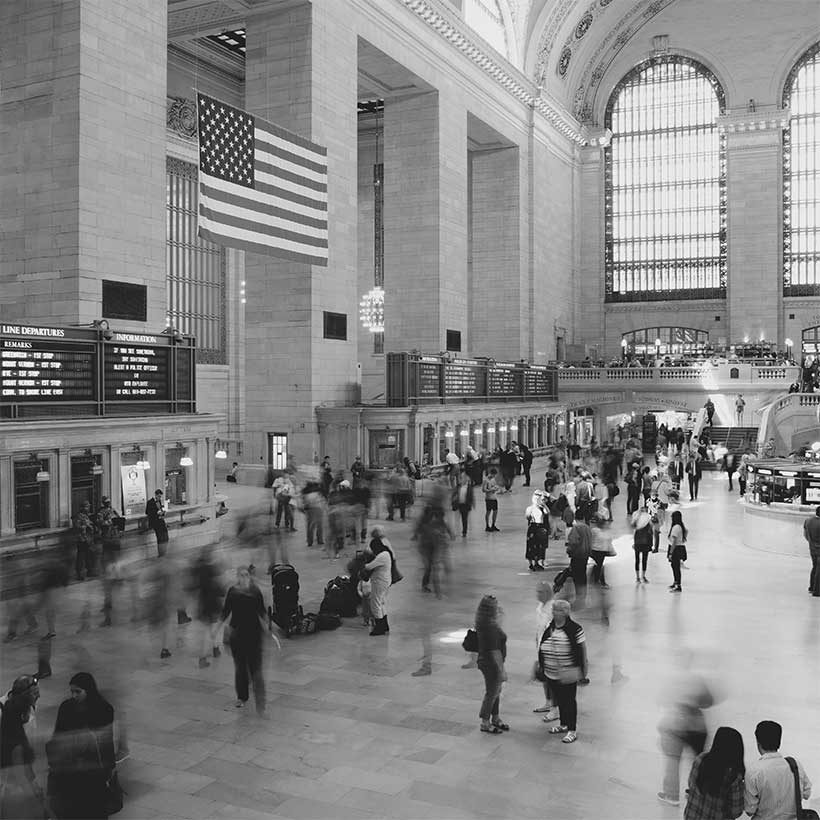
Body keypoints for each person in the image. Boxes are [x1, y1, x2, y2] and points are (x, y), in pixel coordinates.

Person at [47, 672, 116, 819]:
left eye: (77, 692)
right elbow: (57, 736)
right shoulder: (66, 707)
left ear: (88, 690)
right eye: (72, 692)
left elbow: (106, 742)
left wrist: (109, 768)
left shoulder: (103, 709)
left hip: (92, 775)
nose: (74, 696)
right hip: (70, 774)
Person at [216, 566, 275, 713]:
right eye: (241, 575)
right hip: (238, 636)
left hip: (254, 635)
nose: (243, 578)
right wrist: (216, 629)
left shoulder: (255, 591)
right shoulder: (233, 592)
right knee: (241, 668)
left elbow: (261, 611)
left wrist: (268, 628)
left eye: (246, 575)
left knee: (256, 669)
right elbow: (226, 612)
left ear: (249, 576)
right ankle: (242, 696)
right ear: (237, 577)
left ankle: (260, 701)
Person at [537, 599, 587, 744]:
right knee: (559, 699)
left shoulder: (575, 629)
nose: (553, 612)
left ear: (565, 612)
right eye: (553, 609)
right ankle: (563, 724)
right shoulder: (550, 627)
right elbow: (543, 644)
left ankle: (572, 729)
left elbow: (582, 650)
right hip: (551, 672)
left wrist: (583, 669)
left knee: (569, 701)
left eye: (557, 610)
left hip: (568, 672)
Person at [744, 720, 812, 819]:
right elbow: (807, 793)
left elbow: (750, 810)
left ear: (758, 743)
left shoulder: (754, 771)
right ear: (779, 742)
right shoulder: (795, 765)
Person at [0, 674, 46, 819]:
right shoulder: (5, 711)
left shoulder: (27, 705)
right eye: (35, 694)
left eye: (38, 693)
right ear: (23, 696)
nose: (38, 697)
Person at [683, 726, 745, 820]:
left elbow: (691, 784)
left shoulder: (700, 759)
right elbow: (736, 812)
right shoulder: (733, 776)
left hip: (692, 816)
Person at [474, 594, 508, 735]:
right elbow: (495, 652)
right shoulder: (491, 628)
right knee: (492, 692)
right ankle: (485, 721)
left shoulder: (483, 622)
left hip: (485, 661)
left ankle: (495, 717)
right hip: (491, 664)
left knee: (496, 691)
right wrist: (501, 670)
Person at [532, 581, 558, 721]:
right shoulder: (540, 607)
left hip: (551, 649)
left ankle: (555, 709)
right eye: (537, 592)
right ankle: (548, 702)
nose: (538, 595)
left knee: (552, 679)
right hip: (541, 647)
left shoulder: (553, 608)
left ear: (548, 593)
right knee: (544, 677)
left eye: (540, 592)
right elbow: (539, 628)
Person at [97, 496, 123, 627]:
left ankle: (116, 577)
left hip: (113, 539)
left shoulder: (113, 510)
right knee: (109, 562)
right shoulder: (102, 513)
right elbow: (101, 523)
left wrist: (115, 523)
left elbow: (119, 521)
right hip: (108, 540)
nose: (108, 504)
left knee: (114, 561)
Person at [364, 527, 394, 636]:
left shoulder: (382, 556)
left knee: (375, 603)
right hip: (385, 580)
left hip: (380, 582)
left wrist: (361, 563)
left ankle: (379, 628)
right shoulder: (385, 553)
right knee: (381, 603)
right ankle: (384, 625)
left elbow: (368, 567)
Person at [566, 510, 591, 605]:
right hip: (585, 555)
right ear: (584, 518)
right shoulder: (587, 528)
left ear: (575, 519)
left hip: (577, 556)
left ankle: (579, 599)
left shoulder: (576, 528)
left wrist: (569, 550)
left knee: (577, 578)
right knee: (583, 577)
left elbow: (573, 542)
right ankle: (583, 598)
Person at [73, 500, 96, 580]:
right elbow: (77, 527)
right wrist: (86, 527)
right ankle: (80, 574)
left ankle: (89, 571)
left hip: (88, 539)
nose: (88, 508)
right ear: (82, 508)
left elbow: (90, 524)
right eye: (87, 507)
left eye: (88, 507)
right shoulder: (78, 516)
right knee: (81, 557)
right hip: (81, 539)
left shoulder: (86, 516)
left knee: (89, 556)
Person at [667, 510, 688, 593]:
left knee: (675, 567)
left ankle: (678, 585)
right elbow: (686, 531)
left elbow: (674, 542)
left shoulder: (676, 527)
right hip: (680, 547)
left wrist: (671, 553)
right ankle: (675, 582)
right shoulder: (680, 526)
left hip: (676, 549)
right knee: (674, 566)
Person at [802, 506, 820, 597]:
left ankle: (812, 587)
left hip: (812, 548)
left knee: (815, 567)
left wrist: (811, 543)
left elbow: (805, 535)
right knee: (818, 570)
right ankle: (817, 591)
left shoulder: (808, 521)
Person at [632, 506, 654, 583]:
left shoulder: (637, 523)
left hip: (638, 542)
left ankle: (637, 577)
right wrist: (651, 544)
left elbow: (633, 527)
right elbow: (651, 533)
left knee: (637, 560)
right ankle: (643, 576)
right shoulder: (648, 523)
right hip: (645, 543)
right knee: (644, 560)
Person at [145, 489, 169, 557]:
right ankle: (161, 553)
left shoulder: (159, 501)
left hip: (161, 520)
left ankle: (164, 551)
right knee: (160, 537)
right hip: (155, 521)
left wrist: (163, 512)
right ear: (155, 495)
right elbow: (147, 512)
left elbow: (160, 509)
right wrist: (156, 513)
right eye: (158, 496)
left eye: (160, 496)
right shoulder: (150, 502)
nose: (159, 498)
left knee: (165, 535)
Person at [452, 466, 474, 537]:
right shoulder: (458, 487)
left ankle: (464, 531)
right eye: (461, 478)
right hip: (458, 504)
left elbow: (471, 496)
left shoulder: (469, 487)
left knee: (464, 519)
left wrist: (471, 504)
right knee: (457, 518)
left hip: (465, 504)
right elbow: (454, 494)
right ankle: (456, 531)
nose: (461, 479)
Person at [482, 468, 501, 532]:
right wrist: (491, 490)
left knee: (495, 511)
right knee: (488, 511)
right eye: (494, 475)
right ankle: (487, 525)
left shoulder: (493, 479)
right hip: (489, 498)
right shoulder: (486, 480)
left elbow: (495, 486)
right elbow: (484, 490)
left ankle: (493, 524)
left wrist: (496, 488)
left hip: (494, 497)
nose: (494, 476)